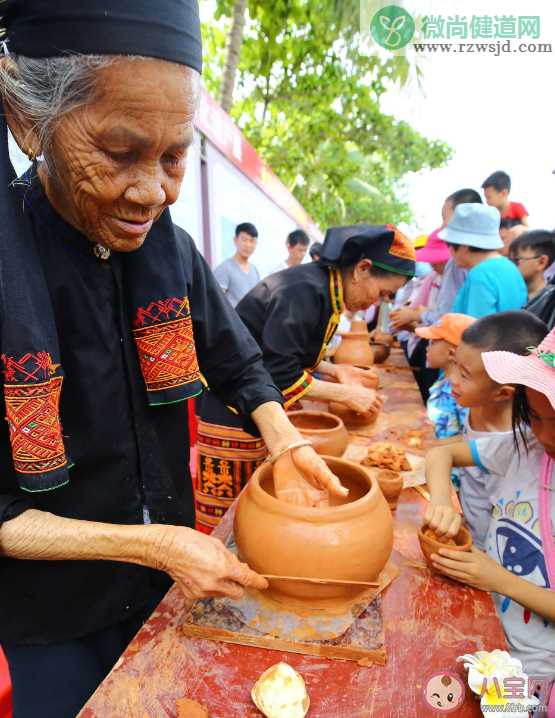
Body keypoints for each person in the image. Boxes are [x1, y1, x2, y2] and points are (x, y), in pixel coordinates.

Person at [0, 4, 346, 716]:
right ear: (26, 120)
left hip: (165, 585)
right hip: (55, 614)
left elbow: (239, 364)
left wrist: (284, 439)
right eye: (120, 152)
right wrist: (156, 544)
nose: (153, 192)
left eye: (174, 155)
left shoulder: (169, 249)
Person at [196, 225, 416, 532]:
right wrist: (345, 394)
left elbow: (288, 354)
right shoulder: (304, 290)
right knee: (226, 515)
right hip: (229, 408)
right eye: (382, 293)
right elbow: (278, 370)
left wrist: (335, 370)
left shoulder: (323, 288)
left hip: (255, 403)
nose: (377, 304)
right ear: (362, 269)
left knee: (254, 504)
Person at [423, 325, 555, 708]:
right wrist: (443, 501)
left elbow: (499, 579)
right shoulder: (524, 447)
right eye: (534, 416)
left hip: (538, 673)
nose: (544, 436)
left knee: (511, 713)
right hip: (490, 642)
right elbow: (439, 454)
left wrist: (498, 579)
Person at [447, 312, 547, 548]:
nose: (452, 379)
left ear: (503, 393)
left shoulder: (514, 447)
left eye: (464, 374)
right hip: (462, 520)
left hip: (484, 549)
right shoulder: (478, 405)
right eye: (454, 364)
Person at [390, 188, 481, 402]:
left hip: (457, 363)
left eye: (444, 218)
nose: (442, 226)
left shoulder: (472, 271)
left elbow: (456, 321)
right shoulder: (488, 270)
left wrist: (417, 317)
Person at [442, 203, 527, 317]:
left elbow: (476, 330)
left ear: (463, 246)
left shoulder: (480, 275)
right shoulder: (510, 267)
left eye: (450, 245)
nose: (450, 252)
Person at [414, 313, 475, 443]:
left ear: (451, 354)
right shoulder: (443, 380)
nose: (427, 347)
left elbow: (470, 438)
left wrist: (435, 445)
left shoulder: (462, 393)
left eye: (432, 342)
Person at [213, 222, 260, 307]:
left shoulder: (254, 270)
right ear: (235, 240)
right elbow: (216, 302)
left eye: (252, 241)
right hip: (232, 319)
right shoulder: (224, 268)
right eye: (244, 240)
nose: (248, 245)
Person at [509, 230, 555, 303]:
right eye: (509, 260)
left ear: (541, 262)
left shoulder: (550, 302)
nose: (510, 266)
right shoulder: (508, 293)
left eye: (516, 260)